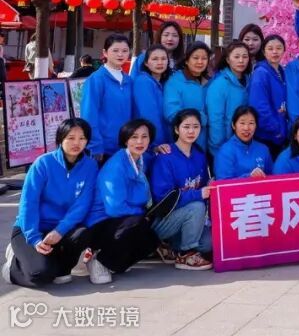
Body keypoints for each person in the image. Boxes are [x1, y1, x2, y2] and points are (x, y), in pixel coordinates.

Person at [3, 119, 97, 287]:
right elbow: (28, 203)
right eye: (71, 138)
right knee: (40, 275)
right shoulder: (43, 163)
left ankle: (61, 269)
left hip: (61, 229)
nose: (76, 143)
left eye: (82, 138)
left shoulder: (90, 166)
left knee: (83, 234)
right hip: (31, 228)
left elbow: (82, 205)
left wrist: (60, 231)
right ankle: (12, 268)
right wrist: (34, 238)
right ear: (60, 139)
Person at [85, 119, 160, 284]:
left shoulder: (140, 160)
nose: (140, 142)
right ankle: (98, 261)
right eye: (134, 137)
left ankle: (114, 263)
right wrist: (143, 214)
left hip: (123, 218)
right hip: (101, 222)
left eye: (144, 137)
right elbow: (115, 208)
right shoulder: (116, 166)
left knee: (151, 240)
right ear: (125, 140)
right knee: (138, 225)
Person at [149, 109, 212, 270]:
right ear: (177, 129)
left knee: (209, 243)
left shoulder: (199, 155)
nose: (191, 131)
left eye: (196, 127)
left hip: (188, 220)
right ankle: (185, 255)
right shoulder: (166, 156)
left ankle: (170, 247)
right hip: (164, 220)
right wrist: (198, 194)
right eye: (186, 127)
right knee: (197, 206)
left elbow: (203, 185)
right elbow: (163, 198)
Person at [80, 34, 136, 161]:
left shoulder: (129, 80)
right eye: (115, 50)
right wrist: (95, 145)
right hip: (103, 149)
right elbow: (89, 114)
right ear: (105, 53)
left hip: (126, 146)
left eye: (125, 51)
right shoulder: (96, 79)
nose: (120, 54)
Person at [163, 43, 212, 152]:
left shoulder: (210, 81)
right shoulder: (175, 82)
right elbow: (171, 114)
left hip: (205, 144)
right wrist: (202, 118)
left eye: (204, 58)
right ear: (186, 60)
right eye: (195, 58)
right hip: (182, 144)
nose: (200, 62)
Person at [206, 41, 250, 157]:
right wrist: (219, 146)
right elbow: (215, 119)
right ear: (228, 60)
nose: (241, 60)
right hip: (222, 146)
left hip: (243, 142)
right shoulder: (219, 84)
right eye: (236, 57)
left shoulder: (249, 81)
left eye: (245, 56)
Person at [248, 34, 289, 155]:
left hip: (280, 130)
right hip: (268, 134)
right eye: (270, 49)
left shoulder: (281, 71)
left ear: (284, 50)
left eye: (279, 48)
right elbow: (259, 106)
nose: (275, 52)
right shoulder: (261, 73)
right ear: (264, 52)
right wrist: (275, 129)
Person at [214, 107, 272, 181]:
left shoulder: (263, 149)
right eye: (242, 123)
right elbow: (223, 183)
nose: (246, 128)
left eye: (251, 123)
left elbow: (272, 178)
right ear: (233, 125)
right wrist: (249, 177)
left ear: (256, 126)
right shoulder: (225, 152)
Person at [133, 45, 171, 149]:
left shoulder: (161, 83)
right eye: (155, 59)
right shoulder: (143, 82)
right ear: (146, 63)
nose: (160, 62)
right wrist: (156, 143)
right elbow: (149, 115)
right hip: (152, 144)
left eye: (163, 59)